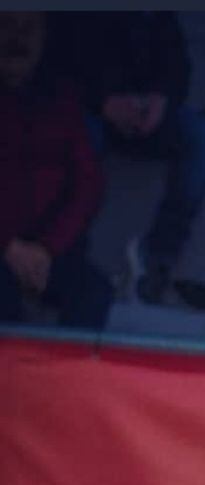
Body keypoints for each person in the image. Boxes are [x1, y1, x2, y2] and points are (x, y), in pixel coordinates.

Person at [49, 12, 205, 305]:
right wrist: (103, 101)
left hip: (147, 114)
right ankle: (62, 252)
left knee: (202, 135)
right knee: (80, 133)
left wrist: (162, 99)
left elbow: (178, 66)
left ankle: (155, 262)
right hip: (93, 111)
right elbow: (54, 70)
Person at [0, 11, 112, 330]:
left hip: (48, 251)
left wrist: (47, 249)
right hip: (2, 248)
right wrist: (8, 245)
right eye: (7, 25)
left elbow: (89, 184)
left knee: (93, 291)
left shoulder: (62, 100)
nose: (18, 39)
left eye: (29, 29)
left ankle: (70, 380)